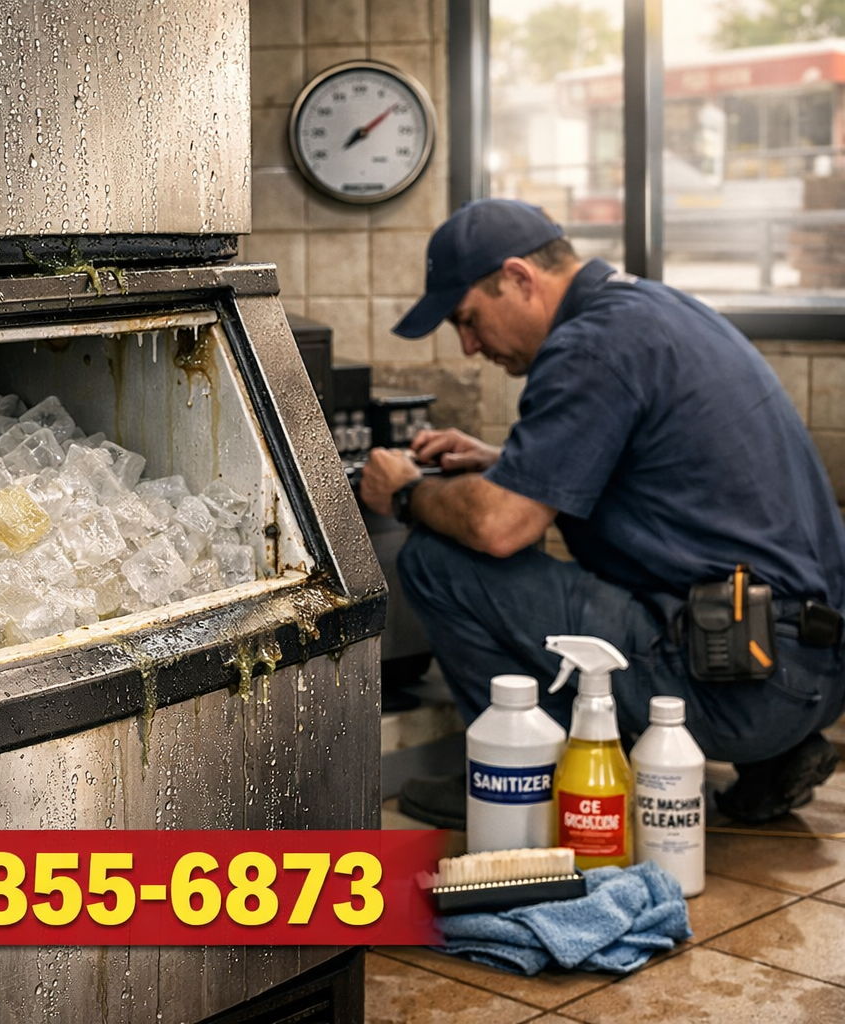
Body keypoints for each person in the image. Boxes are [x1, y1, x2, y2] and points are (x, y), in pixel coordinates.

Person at [359, 198, 845, 827]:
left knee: (438, 557)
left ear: (519, 278)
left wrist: (403, 491)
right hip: (811, 669)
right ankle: (772, 752)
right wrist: (505, 459)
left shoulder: (588, 347)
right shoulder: (655, 308)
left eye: (469, 318)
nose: (470, 345)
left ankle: (519, 777)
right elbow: (660, 471)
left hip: (744, 678)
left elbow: (501, 527)